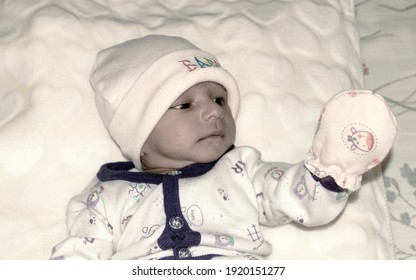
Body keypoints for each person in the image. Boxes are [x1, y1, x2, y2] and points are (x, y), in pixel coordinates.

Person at [50, 35, 397, 260]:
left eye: (219, 99)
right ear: (139, 131)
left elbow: (299, 197)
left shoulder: (242, 169)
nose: (214, 111)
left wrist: (332, 169)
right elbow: (81, 252)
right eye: (184, 105)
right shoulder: (108, 193)